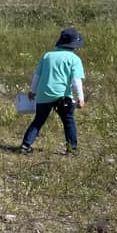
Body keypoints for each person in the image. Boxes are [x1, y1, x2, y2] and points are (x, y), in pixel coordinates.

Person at [19, 27, 86, 155]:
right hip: (63, 96)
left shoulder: (47, 56)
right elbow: (76, 80)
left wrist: (32, 91)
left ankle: (25, 145)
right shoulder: (74, 59)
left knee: (38, 121)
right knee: (68, 122)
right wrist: (80, 97)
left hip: (44, 94)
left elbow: (37, 75)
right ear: (74, 45)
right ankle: (72, 150)